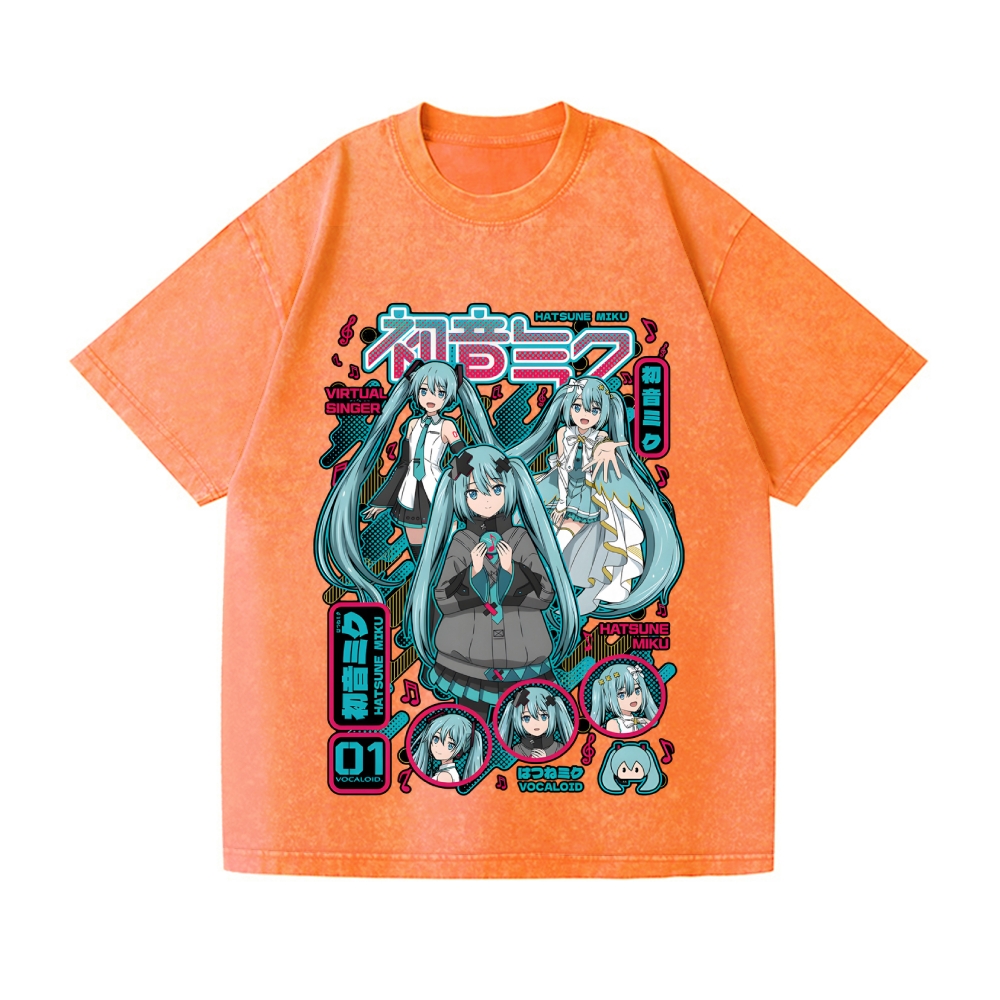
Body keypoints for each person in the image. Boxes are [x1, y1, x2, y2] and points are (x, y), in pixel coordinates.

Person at [406, 444, 579, 720]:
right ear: (461, 496)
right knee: (470, 723)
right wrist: (472, 574)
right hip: (468, 661)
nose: (487, 500)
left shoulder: (520, 538)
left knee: (529, 720)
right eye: (474, 493)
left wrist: (512, 570)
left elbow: (545, 594)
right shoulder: (461, 541)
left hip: (523, 657)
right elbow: (443, 599)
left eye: (496, 490)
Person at [314, 361, 496, 602]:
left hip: (435, 492)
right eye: (424, 391)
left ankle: (460, 589)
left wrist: (455, 481)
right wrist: (382, 502)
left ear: (448, 396)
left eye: (439, 392)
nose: (430, 398)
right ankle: (429, 595)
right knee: (420, 556)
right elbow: (402, 466)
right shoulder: (412, 425)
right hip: (409, 495)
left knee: (443, 549)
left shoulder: (448, 426)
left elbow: (464, 457)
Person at [509, 377, 683, 617]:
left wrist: (611, 449)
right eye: (577, 407)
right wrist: (561, 503)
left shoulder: (601, 438)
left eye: (594, 410)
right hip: (562, 489)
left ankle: (573, 593)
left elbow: (616, 450)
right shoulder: (563, 433)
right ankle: (539, 588)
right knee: (543, 535)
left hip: (590, 495)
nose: (584, 415)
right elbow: (563, 469)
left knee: (580, 542)